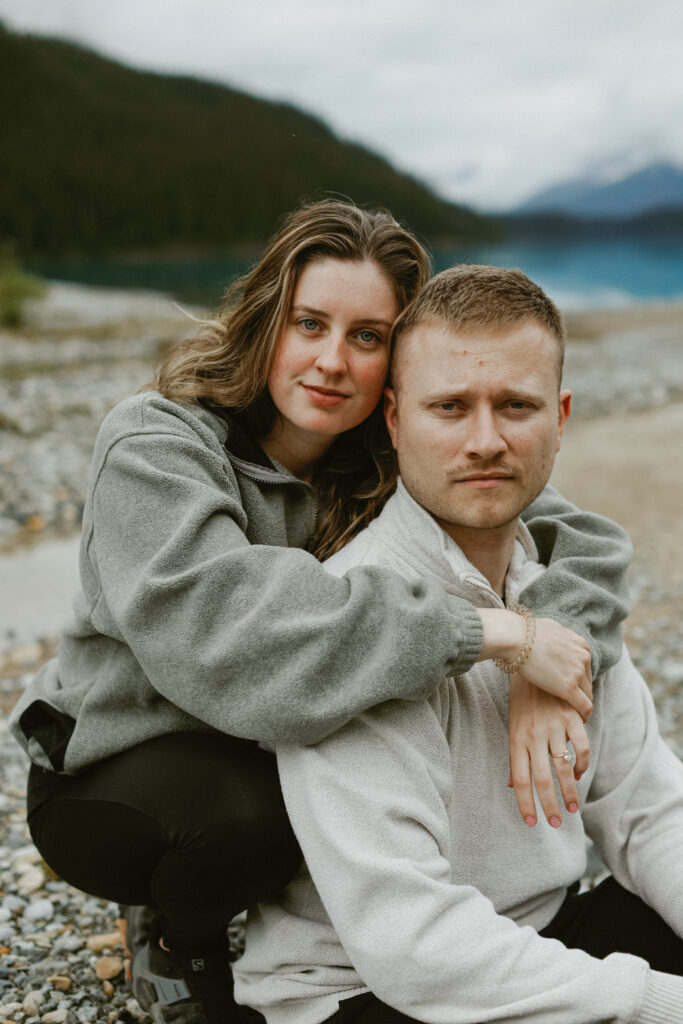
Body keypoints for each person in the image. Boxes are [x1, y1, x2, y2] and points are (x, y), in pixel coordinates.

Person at [10, 204, 630, 1024]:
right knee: (258, 814)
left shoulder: (387, 450)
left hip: (272, 738)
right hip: (122, 768)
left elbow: (581, 538)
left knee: (333, 780)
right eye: (310, 323)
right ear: (267, 319)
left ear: (396, 371)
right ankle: (174, 936)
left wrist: (560, 659)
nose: (332, 361)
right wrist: (498, 636)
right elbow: (221, 638)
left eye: (368, 337)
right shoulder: (156, 445)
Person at [234, 264, 683, 1024]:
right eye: (450, 407)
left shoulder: (563, 596)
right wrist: (654, 1001)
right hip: (361, 990)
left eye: (515, 406)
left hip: (535, 935)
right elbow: (412, 943)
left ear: (561, 417)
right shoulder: (357, 621)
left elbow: (649, 814)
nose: (486, 440)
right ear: (394, 420)